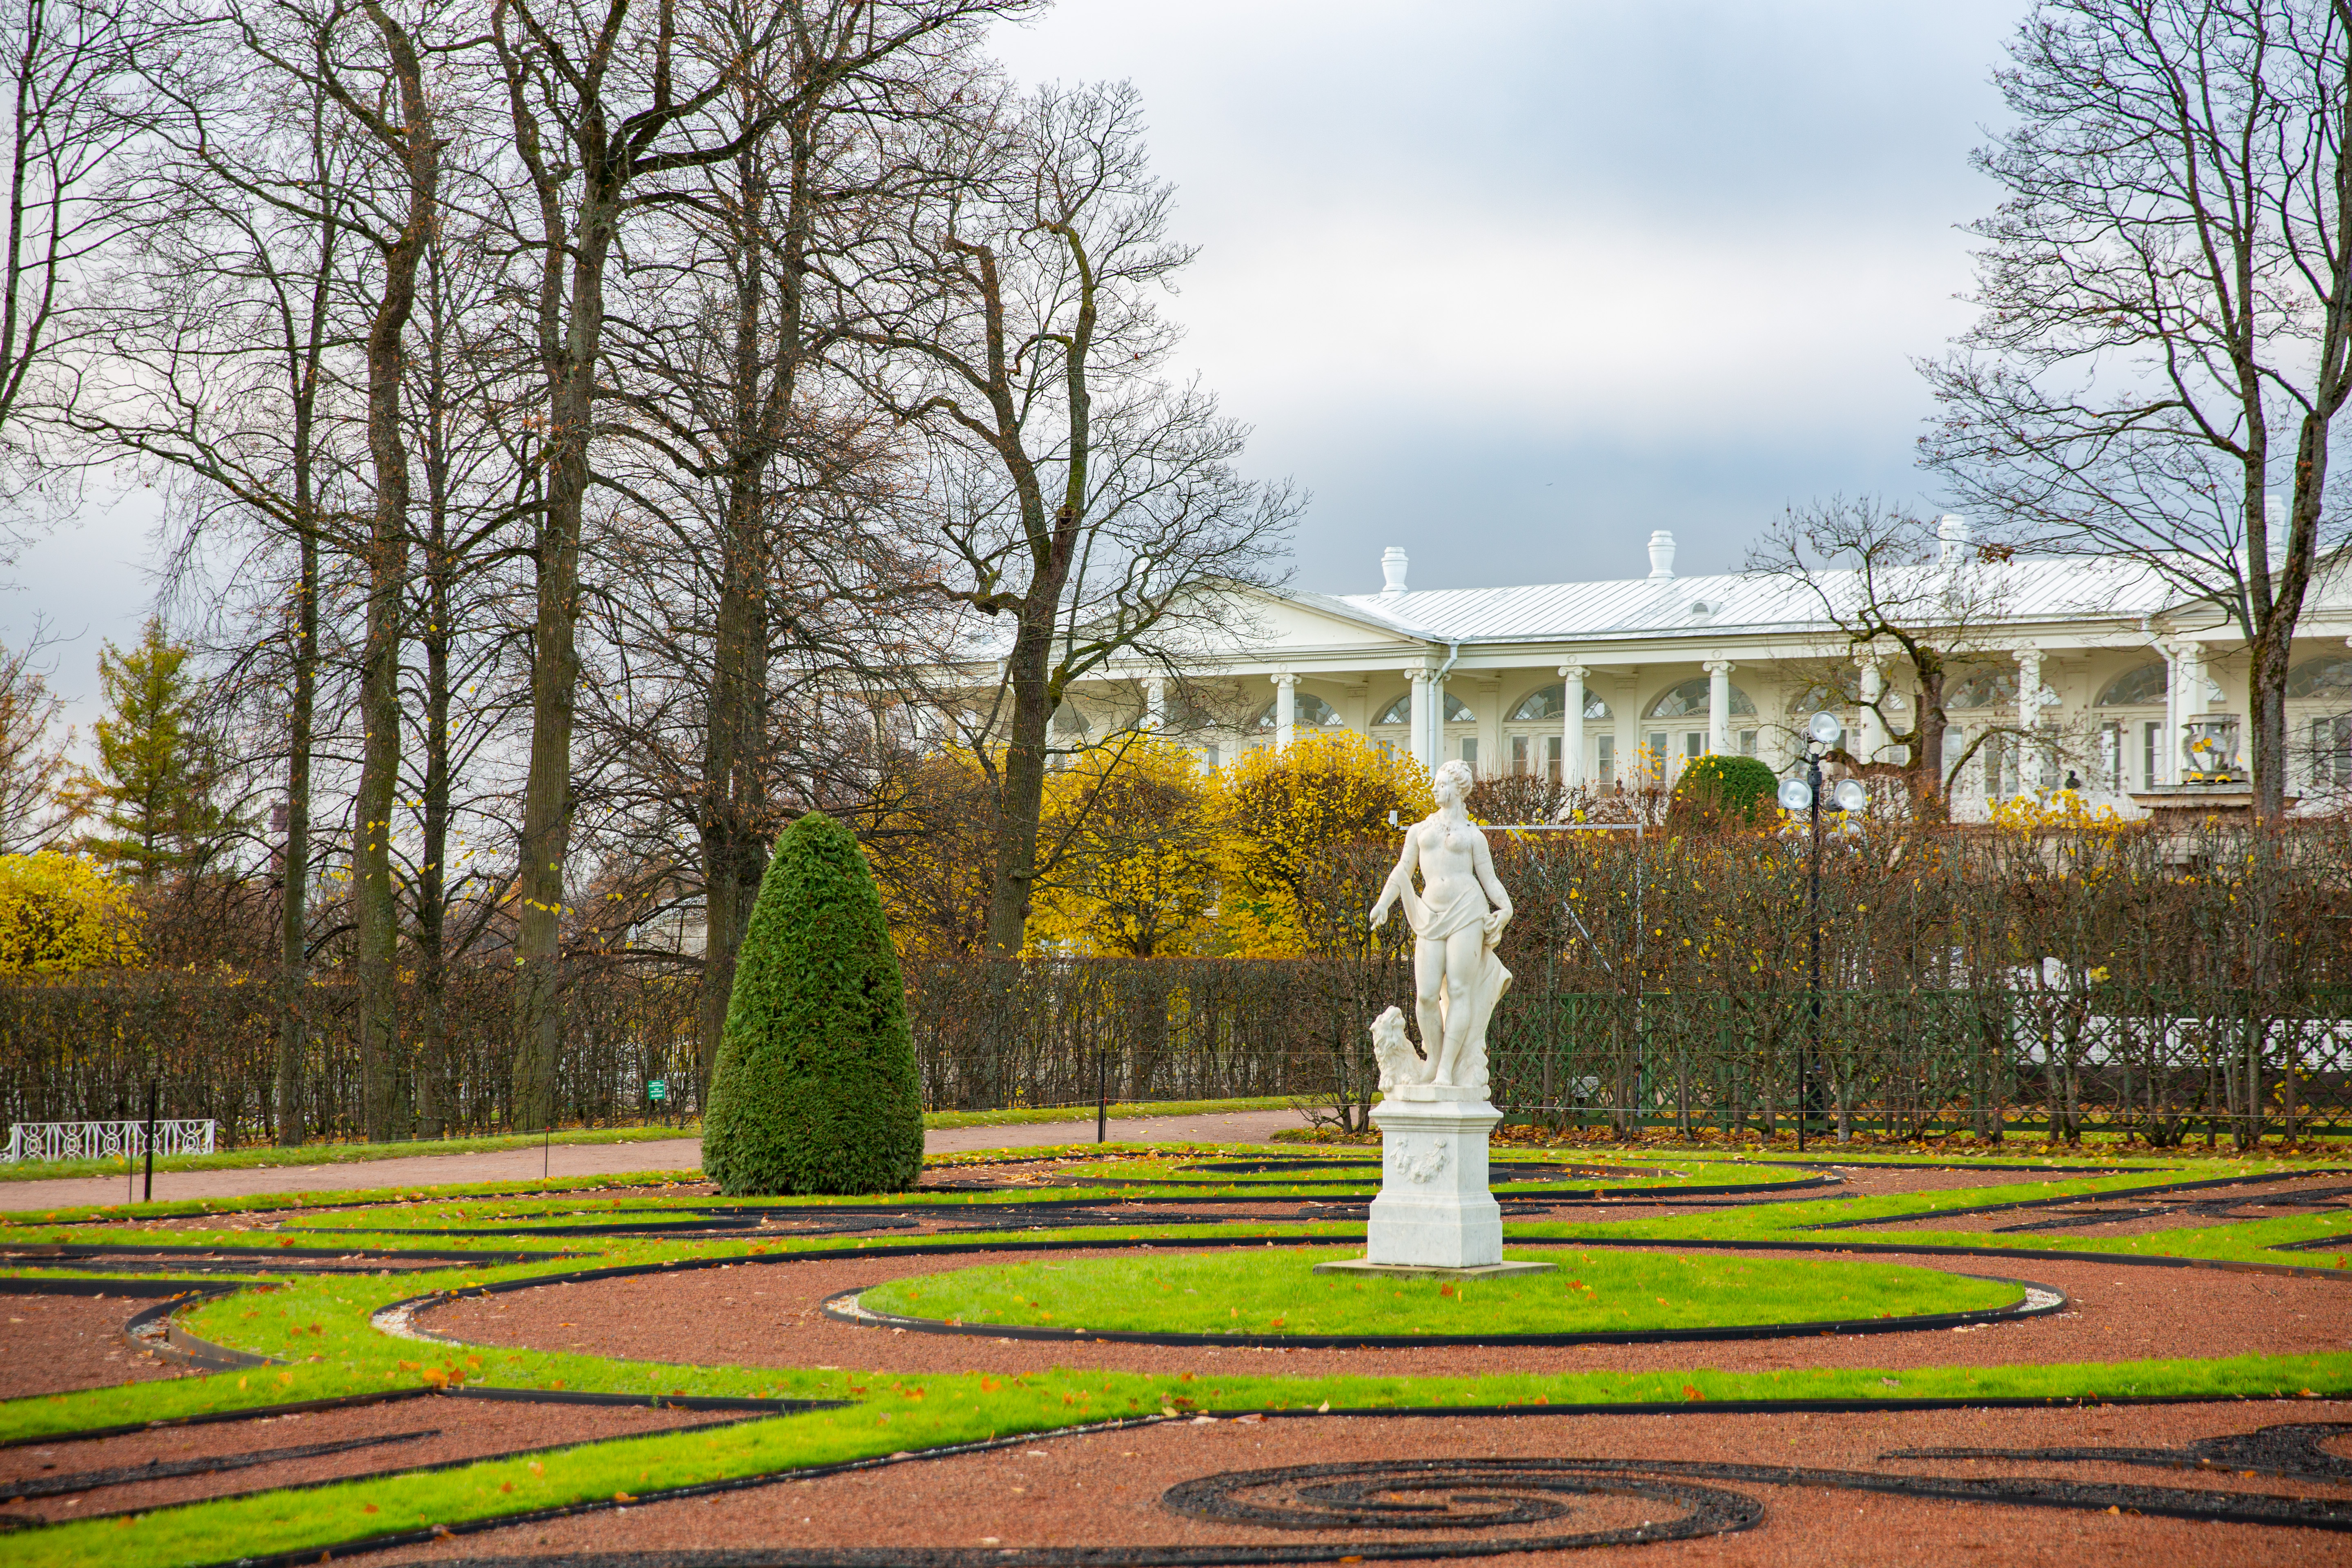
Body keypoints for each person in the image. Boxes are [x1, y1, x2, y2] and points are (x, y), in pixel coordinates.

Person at [1368, 760, 1514, 1089]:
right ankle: (1433, 1059)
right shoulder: (1419, 830)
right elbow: (1403, 870)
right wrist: (1383, 903)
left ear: (1459, 789)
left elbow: (1489, 880)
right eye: (1435, 784)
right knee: (1426, 995)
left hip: (1467, 911)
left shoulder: (1474, 836)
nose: (1435, 789)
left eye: (1442, 784)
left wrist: (1505, 909)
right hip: (1429, 913)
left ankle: (1447, 1069)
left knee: (1461, 991)